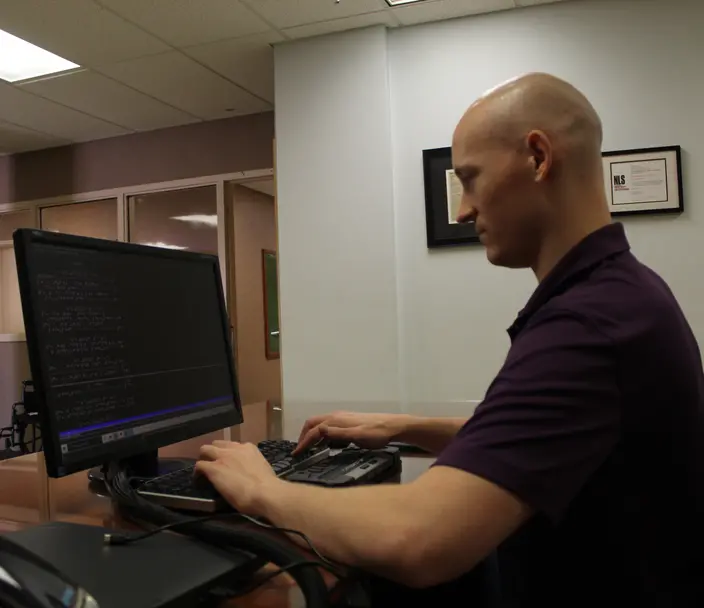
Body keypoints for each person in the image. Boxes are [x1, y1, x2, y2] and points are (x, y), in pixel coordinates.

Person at [197, 74, 704, 605]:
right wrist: (408, 428)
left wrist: (263, 490)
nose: (462, 210)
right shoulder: (623, 294)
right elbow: (548, 434)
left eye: (471, 178)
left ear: (537, 157)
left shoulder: (588, 326)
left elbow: (418, 538)